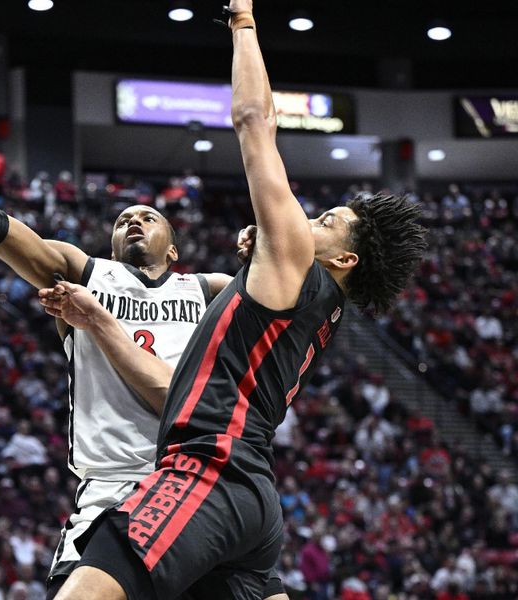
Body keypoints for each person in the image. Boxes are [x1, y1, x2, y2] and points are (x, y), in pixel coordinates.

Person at [0, 77, 282, 600]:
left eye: (148, 218)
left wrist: (261, 246)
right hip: (115, 491)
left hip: (199, 487)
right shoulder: (80, 274)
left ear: (173, 249)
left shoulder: (211, 290)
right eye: (123, 219)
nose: (133, 221)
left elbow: (286, 285)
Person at [49, 2, 427, 599]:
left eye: (325, 220)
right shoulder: (313, 304)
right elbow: (175, 385)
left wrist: (245, 24)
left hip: (206, 474)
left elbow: (254, 120)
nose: (308, 220)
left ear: (344, 259)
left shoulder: (297, 265)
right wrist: (99, 319)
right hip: (252, 502)